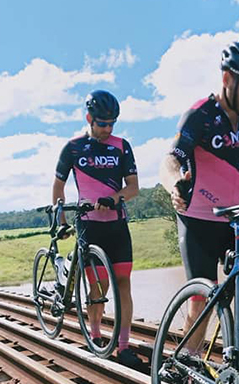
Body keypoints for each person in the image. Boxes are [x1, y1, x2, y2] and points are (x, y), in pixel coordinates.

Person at [159, 36, 239, 354]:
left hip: (235, 219)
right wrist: (175, 185)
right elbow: (171, 159)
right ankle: (185, 362)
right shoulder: (199, 114)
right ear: (228, 79)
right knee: (202, 301)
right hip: (198, 220)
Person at [53, 90, 142, 369]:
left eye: (112, 123)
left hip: (116, 223)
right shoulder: (73, 148)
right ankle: (95, 337)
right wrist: (62, 221)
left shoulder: (121, 146)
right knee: (99, 285)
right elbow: (58, 187)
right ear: (89, 118)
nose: (107, 129)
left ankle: (124, 346)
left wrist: (113, 199)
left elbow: (134, 188)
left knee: (124, 284)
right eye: (102, 123)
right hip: (89, 224)